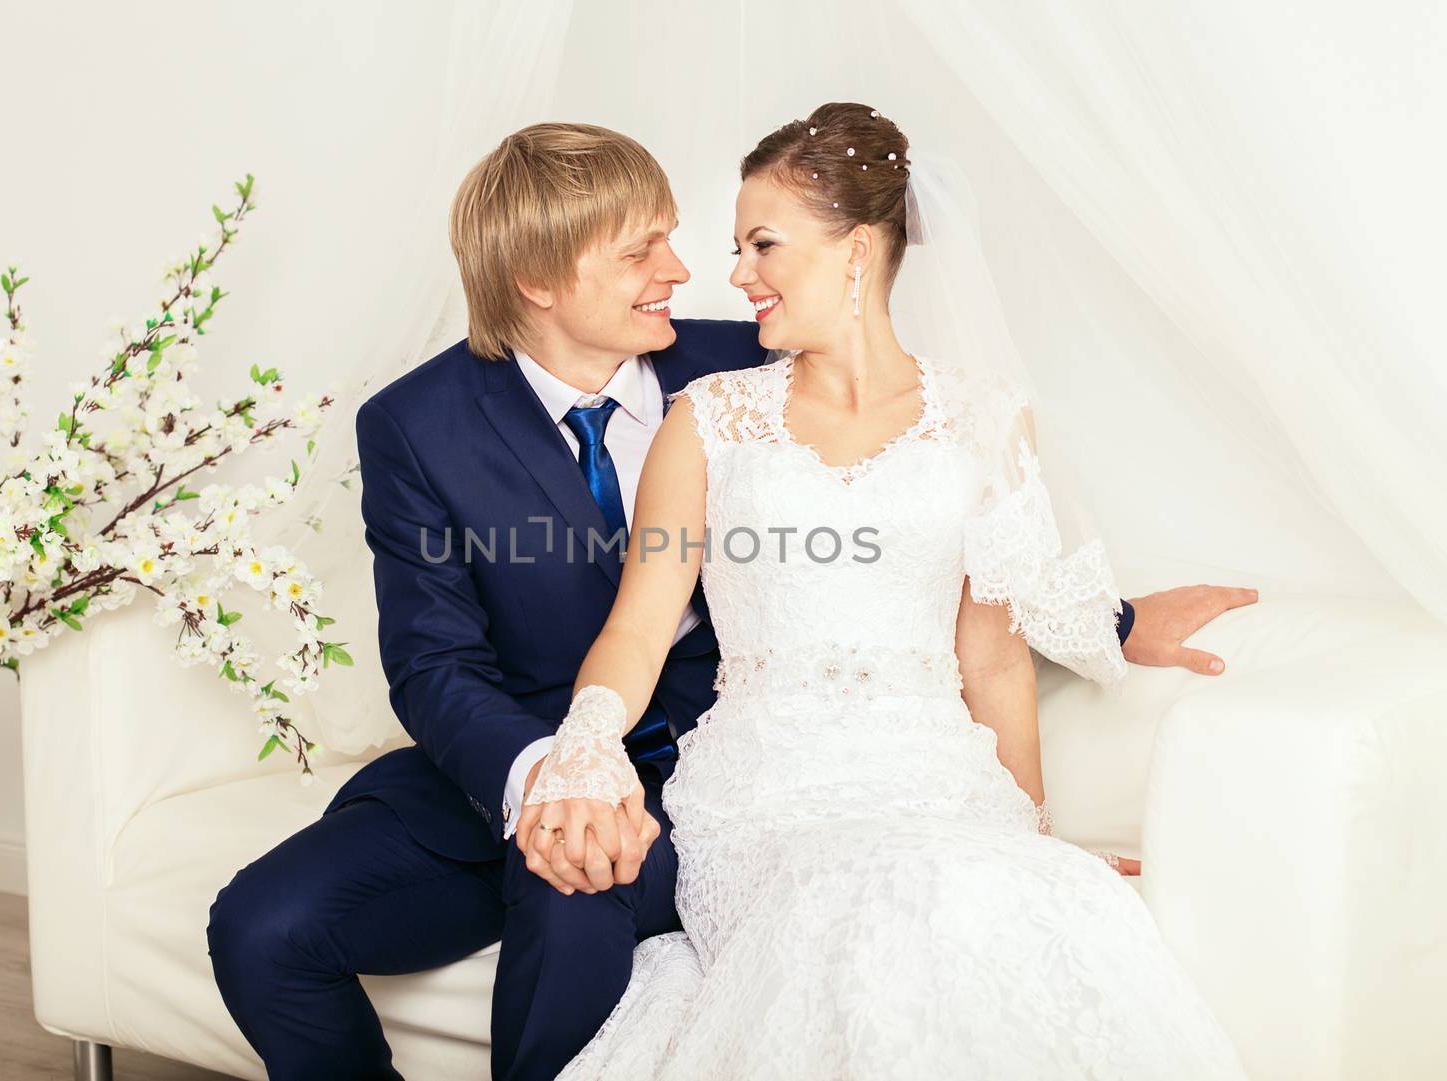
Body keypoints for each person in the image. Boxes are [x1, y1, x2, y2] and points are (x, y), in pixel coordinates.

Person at [206, 118, 1256, 1080]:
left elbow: (926, 546)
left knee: (610, 908)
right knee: (261, 927)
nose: (690, 271)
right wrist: (559, 769)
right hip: (553, 757)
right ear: (536, 277)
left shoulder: (746, 352)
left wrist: (1113, 621)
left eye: (700, 239)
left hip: (735, 775)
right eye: (641, 251)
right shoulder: (424, 423)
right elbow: (438, 664)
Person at [529, 103, 1251, 1079]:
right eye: (738, 246)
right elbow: (640, 626)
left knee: (999, 919)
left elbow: (990, 656)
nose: (734, 272)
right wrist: (584, 739)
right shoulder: (708, 420)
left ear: (856, 251)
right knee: (860, 906)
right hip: (764, 793)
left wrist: (1028, 840)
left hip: (935, 781)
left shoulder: (985, 420)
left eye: (762, 244)